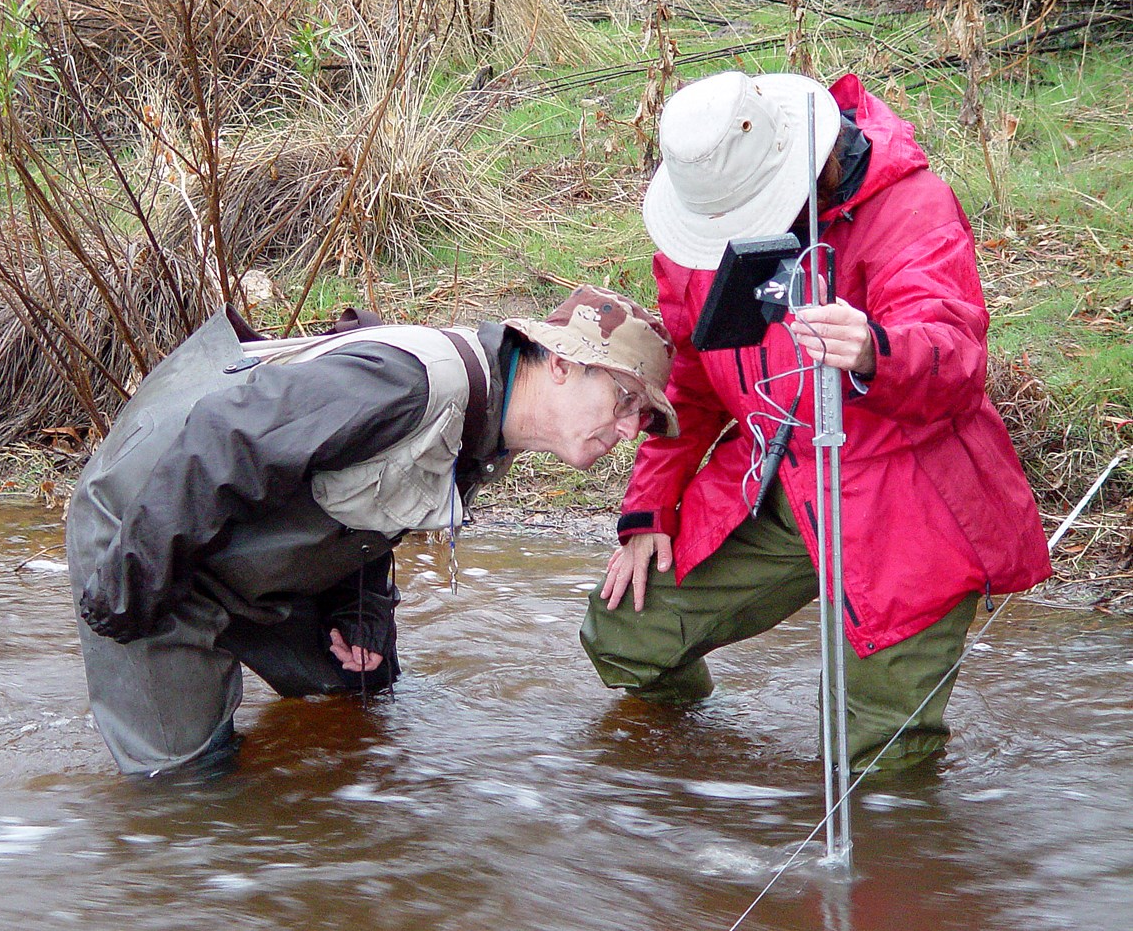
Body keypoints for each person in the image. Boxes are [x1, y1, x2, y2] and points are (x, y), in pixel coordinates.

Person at [580, 71, 1053, 773]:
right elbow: (691, 379)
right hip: (780, 477)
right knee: (623, 632)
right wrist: (649, 506)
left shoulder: (909, 205)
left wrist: (873, 350)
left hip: (907, 501)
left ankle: (896, 865)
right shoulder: (700, 231)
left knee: (870, 763)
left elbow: (955, 359)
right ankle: (691, 781)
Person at [67, 284, 678, 775]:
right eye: (625, 400)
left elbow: (362, 499)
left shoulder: (489, 427)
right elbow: (224, 439)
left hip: (231, 541)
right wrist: (129, 583)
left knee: (359, 686)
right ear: (565, 365)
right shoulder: (411, 383)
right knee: (187, 791)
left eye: (644, 418)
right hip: (144, 531)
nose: (629, 430)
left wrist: (362, 613)